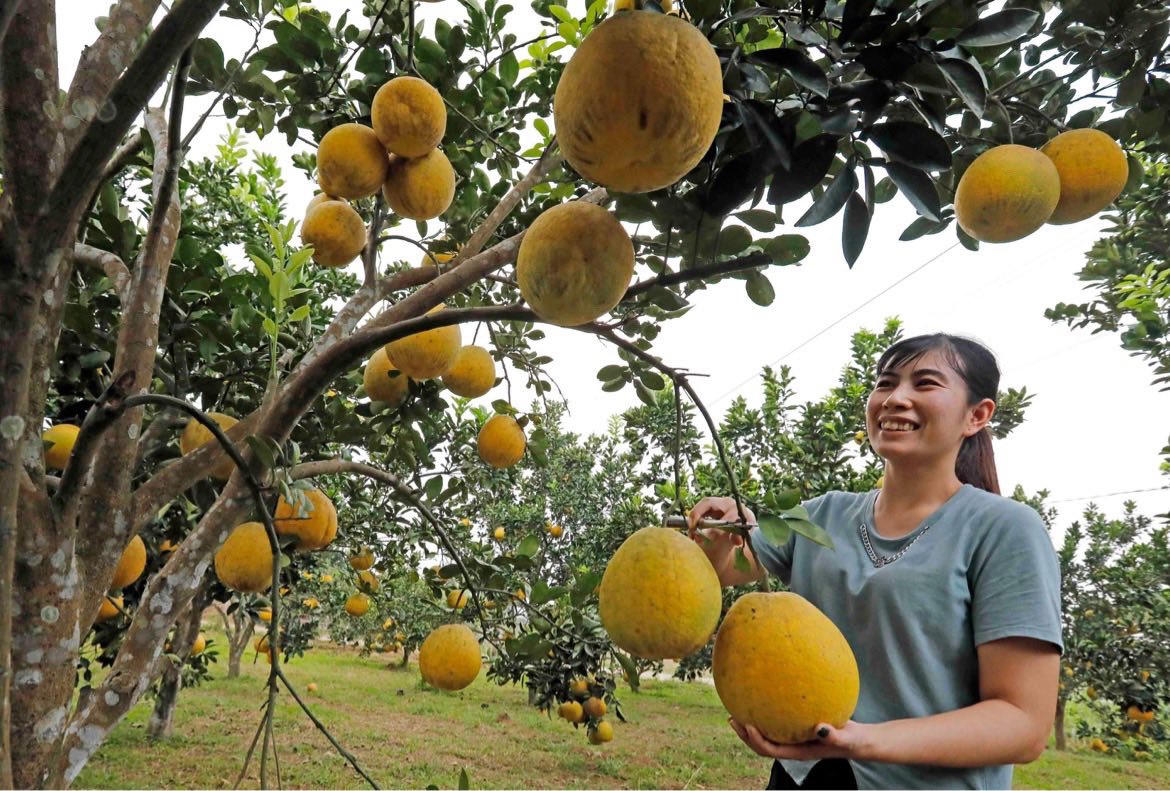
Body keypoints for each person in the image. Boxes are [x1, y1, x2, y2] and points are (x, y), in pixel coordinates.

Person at [688, 333, 1062, 790]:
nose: (896, 398)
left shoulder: (1005, 530)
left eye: (924, 384)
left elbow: (1022, 724)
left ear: (977, 415)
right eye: (886, 383)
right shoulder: (823, 514)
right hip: (806, 774)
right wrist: (726, 529)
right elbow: (728, 569)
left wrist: (860, 741)